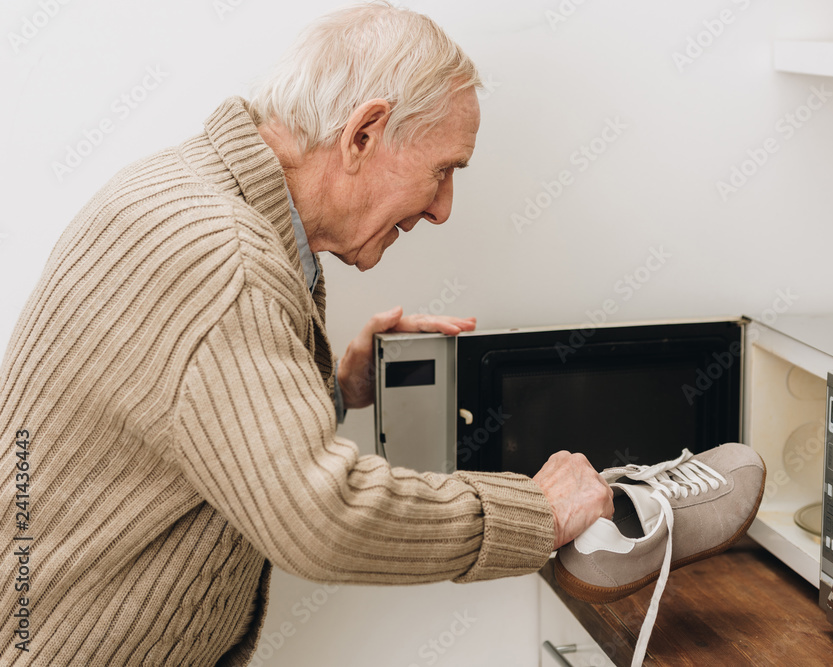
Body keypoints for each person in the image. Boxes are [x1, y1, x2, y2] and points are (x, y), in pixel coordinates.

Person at [0, 4, 614, 665]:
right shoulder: (226, 261)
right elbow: (321, 515)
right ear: (363, 134)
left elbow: (197, 425)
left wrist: (334, 390)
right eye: (444, 170)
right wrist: (538, 512)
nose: (442, 209)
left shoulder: (186, 191)